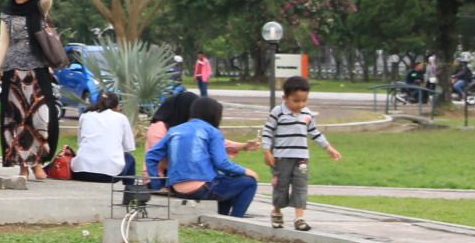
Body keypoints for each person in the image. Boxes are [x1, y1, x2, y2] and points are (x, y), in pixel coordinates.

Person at [0, 0, 59, 181]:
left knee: (40, 117)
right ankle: (22, 165)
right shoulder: (7, 13)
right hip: (13, 72)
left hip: (38, 70)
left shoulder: (40, 10)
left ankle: (38, 161)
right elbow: (4, 42)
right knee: (17, 119)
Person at [145, 96, 258, 217]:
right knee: (249, 182)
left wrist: (157, 184)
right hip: (201, 189)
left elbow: (151, 155)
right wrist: (247, 171)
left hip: (176, 188)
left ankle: (223, 216)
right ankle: (237, 220)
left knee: (229, 181)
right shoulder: (212, 131)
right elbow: (222, 163)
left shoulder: (175, 130)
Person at [261, 76, 341, 231]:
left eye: (304, 100)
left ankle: (299, 217)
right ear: (285, 97)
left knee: (300, 185)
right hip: (282, 157)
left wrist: (328, 147)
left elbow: (314, 133)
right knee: (280, 185)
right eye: (296, 101)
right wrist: (266, 151)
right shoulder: (278, 112)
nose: (300, 104)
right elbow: (267, 132)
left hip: (301, 158)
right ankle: (276, 211)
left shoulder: (307, 114)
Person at [69, 91, 136, 184]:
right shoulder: (121, 118)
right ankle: (130, 194)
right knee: (130, 159)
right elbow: (128, 147)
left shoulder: (85, 116)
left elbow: (80, 142)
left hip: (81, 171)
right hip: (109, 175)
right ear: (116, 107)